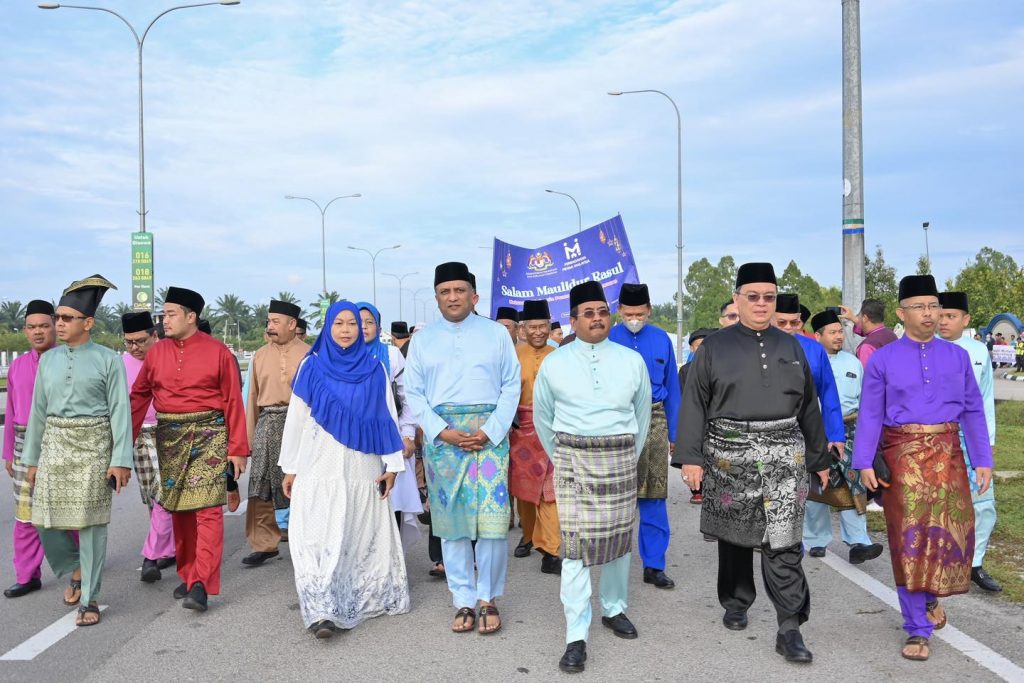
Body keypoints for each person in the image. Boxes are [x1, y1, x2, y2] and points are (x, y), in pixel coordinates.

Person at [674, 263, 830, 664]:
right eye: (754, 296)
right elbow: (694, 404)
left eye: (769, 297)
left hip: (784, 454)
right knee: (736, 537)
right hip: (729, 456)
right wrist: (690, 458)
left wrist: (819, 457)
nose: (762, 304)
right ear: (738, 298)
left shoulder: (792, 346)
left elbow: (808, 406)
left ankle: (789, 626)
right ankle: (737, 601)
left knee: (784, 540)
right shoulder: (714, 347)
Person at [853, 275, 992, 662]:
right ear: (902, 313)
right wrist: (864, 461)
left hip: (948, 455)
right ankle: (917, 628)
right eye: (920, 306)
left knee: (948, 535)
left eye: (934, 306)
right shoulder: (883, 358)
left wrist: (982, 459)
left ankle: (930, 598)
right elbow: (871, 413)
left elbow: (973, 410)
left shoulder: (958, 356)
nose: (930, 314)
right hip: (903, 458)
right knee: (908, 540)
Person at [533, 281, 651, 673]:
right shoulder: (555, 362)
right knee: (575, 550)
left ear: (609, 314)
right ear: (573, 320)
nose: (597, 318)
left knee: (619, 542)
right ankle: (575, 634)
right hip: (573, 464)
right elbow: (543, 418)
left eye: (602, 311)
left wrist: (625, 456)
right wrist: (567, 458)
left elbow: (642, 414)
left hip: (619, 460)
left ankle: (613, 609)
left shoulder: (630, 360)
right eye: (588, 313)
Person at [279, 301, 410, 638]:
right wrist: (291, 467)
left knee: (355, 531)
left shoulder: (374, 369)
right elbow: (296, 419)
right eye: (338, 323)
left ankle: (354, 599)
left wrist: (393, 465)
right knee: (315, 534)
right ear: (327, 327)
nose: (346, 330)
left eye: (352, 323)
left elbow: (386, 417)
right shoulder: (311, 366)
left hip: (360, 465)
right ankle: (321, 609)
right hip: (316, 463)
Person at [404, 262, 520, 636]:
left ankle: (488, 597)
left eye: (459, 290)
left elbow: (511, 386)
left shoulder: (496, 335)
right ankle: (463, 600)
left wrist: (490, 431)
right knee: (452, 524)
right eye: (445, 291)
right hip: (444, 441)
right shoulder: (422, 340)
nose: (452, 297)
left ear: (473, 295)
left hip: (490, 438)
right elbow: (414, 394)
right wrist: (443, 432)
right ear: (437, 297)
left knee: (491, 523)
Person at [129, 286, 249, 612]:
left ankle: (201, 585)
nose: (163, 321)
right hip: (169, 437)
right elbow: (139, 396)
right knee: (180, 510)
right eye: (163, 314)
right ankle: (189, 572)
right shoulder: (156, 353)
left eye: (170, 314)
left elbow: (233, 402)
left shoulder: (219, 352)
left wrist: (237, 449)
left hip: (210, 434)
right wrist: (123, 440)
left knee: (207, 510)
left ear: (190, 316)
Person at [22, 275, 133, 626]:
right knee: (42, 519)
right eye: (58, 318)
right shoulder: (49, 361)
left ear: (88, 323)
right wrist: (32, 459)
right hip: (55, 443)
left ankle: (90, 599)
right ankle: (74, 568)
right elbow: (38, 410)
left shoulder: (107, 360)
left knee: (91, 525)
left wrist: (120, 460)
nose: (59, 324)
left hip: (95, 446)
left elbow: (119, 411)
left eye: (67, 319)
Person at [609, 283, 679, 589]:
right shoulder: (609, 337)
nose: (634, 318)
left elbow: (674, 388)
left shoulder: (662, 339)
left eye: (640, 313)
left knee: (654, 495)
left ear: (649, 310)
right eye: (629, 313)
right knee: (615, 495)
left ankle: (654, 565)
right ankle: (612, 559)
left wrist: (676, 433)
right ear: (619, 310)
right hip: (617, 421)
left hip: (655, 419)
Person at [3, 300, 73, 599]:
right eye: (32, 327)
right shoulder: (18, 366)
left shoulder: (70, 361)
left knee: (69, 511)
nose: (38, 332)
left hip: (62, 441)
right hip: (22, 444)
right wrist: (8, 452)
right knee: (25, 515)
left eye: (44, 325)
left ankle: (80, 566)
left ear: (56, 327)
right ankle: (27, 575)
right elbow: (11, 410)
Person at [802, 310, 882, 564]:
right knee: (817, 486)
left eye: (841, 331)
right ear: (818, 335)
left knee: (854, 484)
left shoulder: (852, 362)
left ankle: (859, 541)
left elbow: (864, 400)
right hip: (816, 430)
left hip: (850, 430)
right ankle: (815, 540)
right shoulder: (808, 359)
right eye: (833, 332)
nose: (839, 337)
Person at [771, 295, 850, 550]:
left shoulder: (813, 349)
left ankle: (799, 543)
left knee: (805, 488)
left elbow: (828, 394)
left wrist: (835, 434)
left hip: (805, 428)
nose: (788, 329)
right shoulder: (755, 348)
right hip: (765, 431)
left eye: (794, 323)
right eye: (781, 323)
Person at [937, 292, 1000, 592]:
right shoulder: (926, 349)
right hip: (937, 438)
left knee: (984, 503)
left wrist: (987, 444)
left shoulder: (978, 351)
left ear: (966, 319)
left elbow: (986, 399)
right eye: (940, 314)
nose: (943, 321)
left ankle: (974, 563)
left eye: (950, 316)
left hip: (973, 439)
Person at [242, 300, 309, 567]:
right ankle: (264, 544)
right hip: (267, 422)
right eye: (268, 322)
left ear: (292, 325)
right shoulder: (259, 355)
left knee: (303, 485)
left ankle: (307, 539)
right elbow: (252, 399)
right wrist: (246, 443)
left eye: (275, 322)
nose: (269, 327)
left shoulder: (310, 355)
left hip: (300, 426)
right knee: (259, 484)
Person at [357, 302, 421, 542]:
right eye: (356, 322)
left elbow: (407, 398)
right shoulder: (337, 359)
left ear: (379, 327)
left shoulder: (392, 355)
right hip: (354, 443)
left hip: (390, 439)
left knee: (390, 501)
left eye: (369, 322)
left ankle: (391, 565)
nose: (363, 327)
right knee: (360, 505)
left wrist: (407, 435)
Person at [122, 311, 176, 582]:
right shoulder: (119, 365)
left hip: (169, 432)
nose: (135, 348)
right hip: (138, 437)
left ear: (155, 336)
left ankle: (151, 556)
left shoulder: (171, 356)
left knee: (166, 494)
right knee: (153, 499)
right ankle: (169, 547)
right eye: (129, 342)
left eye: (141, 341)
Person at [509, 299, 560, 574]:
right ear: (523, 328)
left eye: (543, 326)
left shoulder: (559, 354)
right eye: (533, 327)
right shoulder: (513, 355)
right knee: (525, 493)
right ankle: (528, 536)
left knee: (549, 492)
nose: (539, 331)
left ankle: (550, 550)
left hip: (551, 429)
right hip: (521, 431)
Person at [678, 327, 714, 505]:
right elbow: (685, 395)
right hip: (697, 415)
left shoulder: (718, 366)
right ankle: (697, 489)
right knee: (695, 453)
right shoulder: (686, 370)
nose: (700, 349)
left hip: (714, 417)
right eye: (697, 346)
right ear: (691, 348)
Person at [840, 298, 897, 367]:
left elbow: (867, 375)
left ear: (864, 318)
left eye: (859, 315)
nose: (858, 318)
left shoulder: (867, 347)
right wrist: (853, 318)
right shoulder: (891, 334)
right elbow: (870, 333)